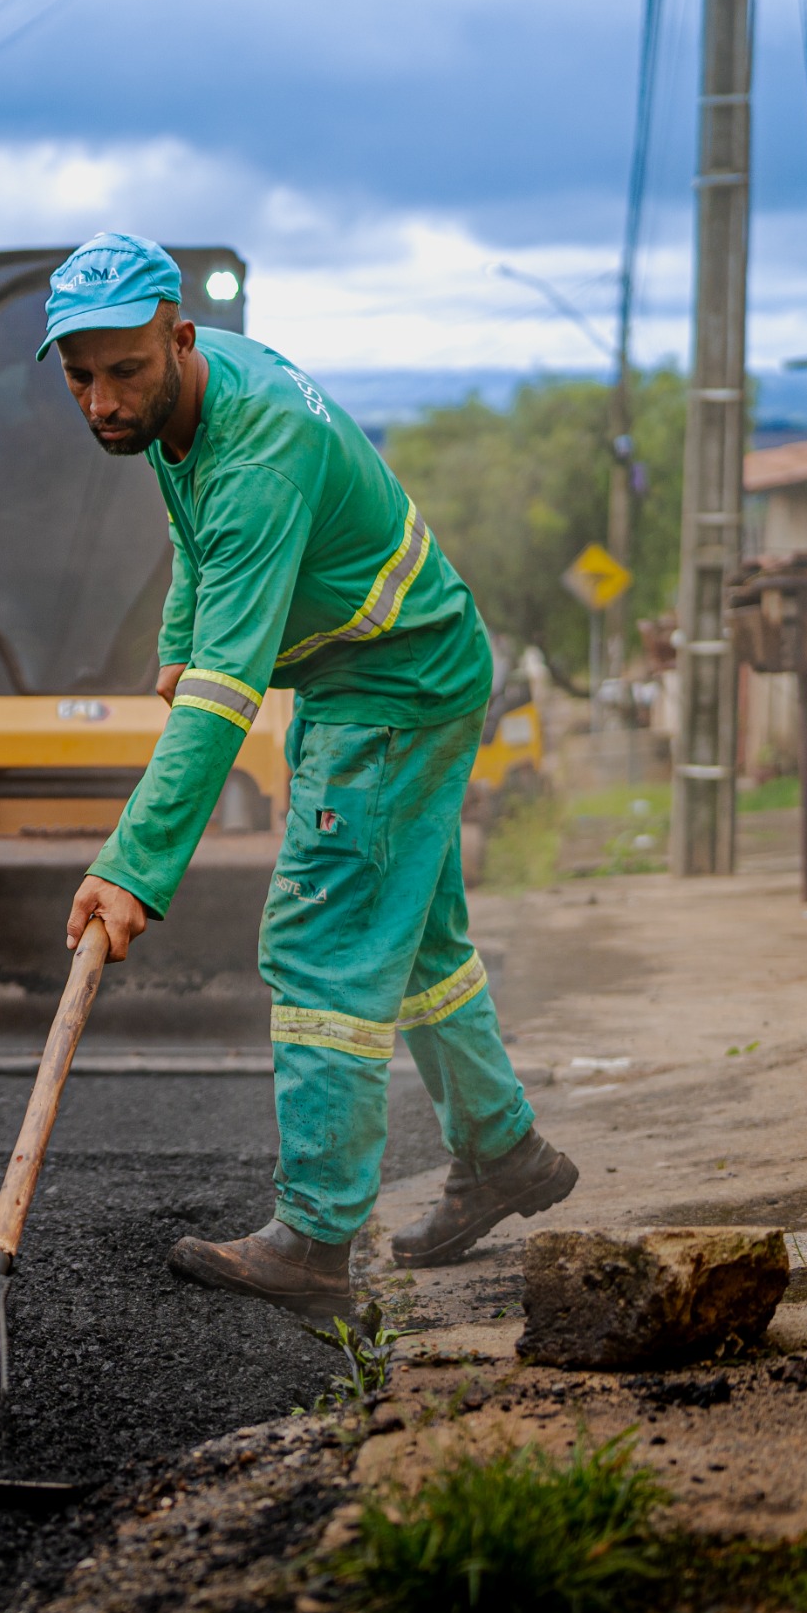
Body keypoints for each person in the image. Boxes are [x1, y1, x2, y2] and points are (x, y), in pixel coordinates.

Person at [41, 235, 578, 1317]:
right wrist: (179, 638)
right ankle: (504, 1151)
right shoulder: (178, 402)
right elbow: (195, 540)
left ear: (176, 339)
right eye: (79, 376)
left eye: (123, 372)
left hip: (392, 683)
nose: (101, 400)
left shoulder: (258, 448)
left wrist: (133, 867)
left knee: (321, 937)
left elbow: (225, 700)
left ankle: (317, 1235)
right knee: (417, 941)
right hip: (388, 668)